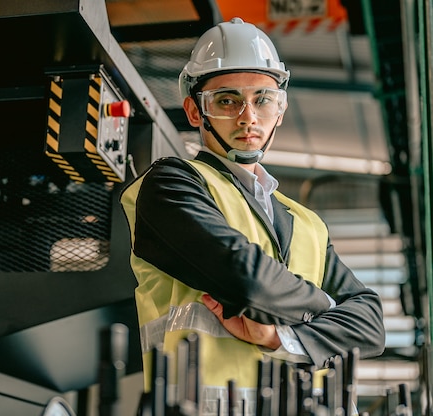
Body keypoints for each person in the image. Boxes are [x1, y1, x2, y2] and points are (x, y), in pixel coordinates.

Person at [120, 17, 385, 415]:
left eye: (263, 99)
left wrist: (280, 337)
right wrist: (331, 308)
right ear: (195, 111)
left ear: (280, 110)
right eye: (227, 100)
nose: (248, 117)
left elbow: (371, 327)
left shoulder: (306, 222)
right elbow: (248, 283)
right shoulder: (172, 185)